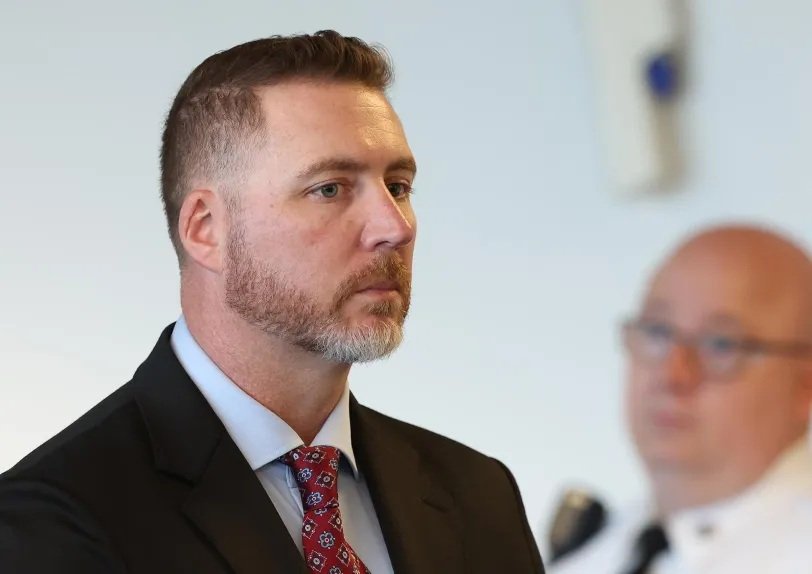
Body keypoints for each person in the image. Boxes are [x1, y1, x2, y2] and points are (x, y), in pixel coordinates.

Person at [0, 31, 543, 574]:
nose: (394, 227)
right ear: (206, 229)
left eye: (398, 186)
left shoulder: (478, 494)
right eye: (330, 188)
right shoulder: (48, 523)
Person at [550, 224, 812, 573]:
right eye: (658, 331)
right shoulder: (586, 558)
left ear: (805, 385)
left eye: (721, 344)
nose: (673, 374)